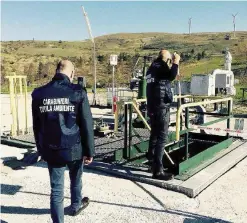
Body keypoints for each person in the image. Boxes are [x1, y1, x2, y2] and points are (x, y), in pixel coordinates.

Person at [31, 60, 95, 223]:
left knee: (57, 191)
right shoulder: (77, 92)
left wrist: (41, 149)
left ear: (56, 71)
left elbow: (37, 126)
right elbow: (87, 123)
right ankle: (75, 205)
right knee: (76, 178)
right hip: (74, 147)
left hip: (52, 150)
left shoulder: (39, 94)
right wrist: (89, 151)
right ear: (72, 73)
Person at [146, 49, 180, 181]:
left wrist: (172, 64)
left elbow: (166, 78)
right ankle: (158, 171)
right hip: (161, 107)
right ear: (165, 57)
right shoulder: (161, 65)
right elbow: (171, 76)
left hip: (152, 106)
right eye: (169, 57)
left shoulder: (152, 68)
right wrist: (176, 62)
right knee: (162, 137)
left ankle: (152, 162)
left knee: (154, 134)